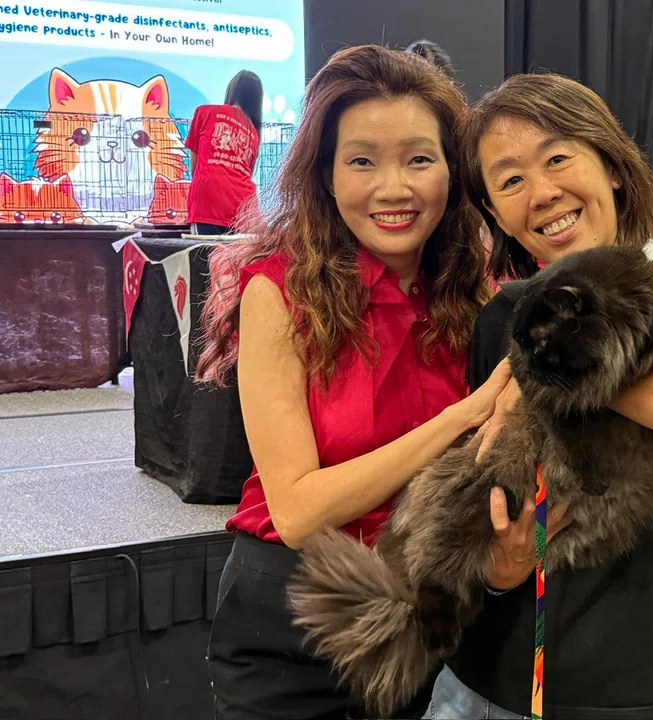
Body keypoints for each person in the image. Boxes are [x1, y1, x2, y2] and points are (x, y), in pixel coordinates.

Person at [424, 73, 653, 720]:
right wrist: (497, 564)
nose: (543, 191)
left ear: (611, 164)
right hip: (484, 680)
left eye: (558, 157)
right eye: (510, 180)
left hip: (639, 688)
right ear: (495, 212)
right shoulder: (502, 317)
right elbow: (482, 495)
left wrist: (537, 376)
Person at [195, 46, 509, 719]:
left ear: (454, 173)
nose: (393, 188)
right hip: (296, 617)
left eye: (419, 159)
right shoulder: (277, 291)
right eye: (362, 160)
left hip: (422, 613)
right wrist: (462, 417)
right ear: (326, 175)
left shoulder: (473, 296)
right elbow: (300, 509)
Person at [184, 70, 263, 235]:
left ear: (232, 90)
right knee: (239, 262)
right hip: (244, 210)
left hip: (209, 204)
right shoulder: (254, 133)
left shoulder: (205, 112)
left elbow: (195, 167)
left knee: (204, 260)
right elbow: (248, 173)